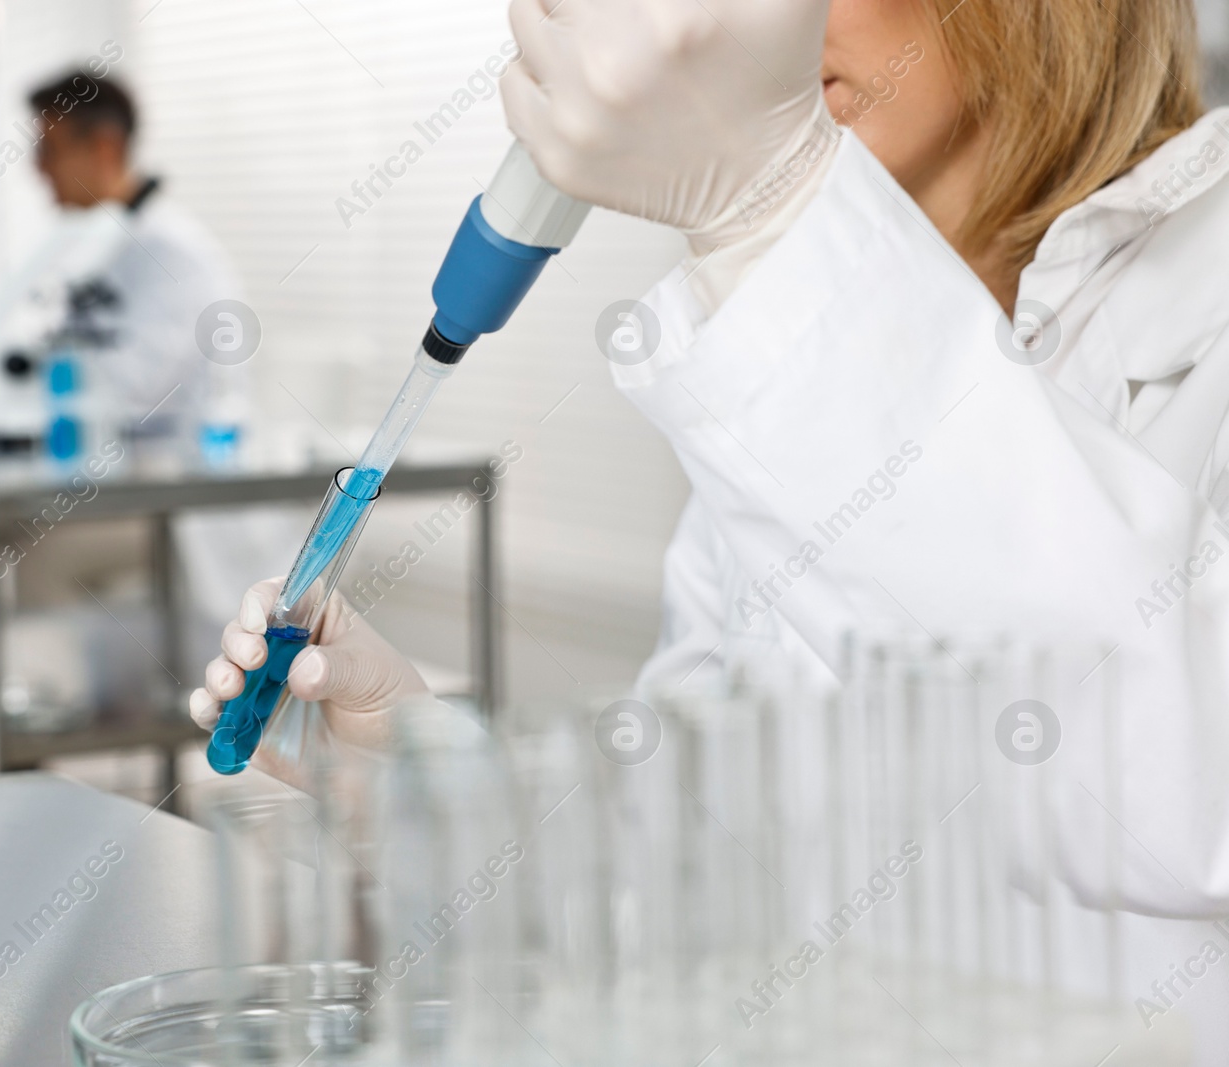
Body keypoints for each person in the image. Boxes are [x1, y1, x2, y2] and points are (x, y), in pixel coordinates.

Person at [196, 0, 1229, 1058]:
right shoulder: (776, 359)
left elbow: (1191, 777)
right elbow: (690, 883)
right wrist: (420, 770)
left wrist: (771, 203)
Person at [0, 72, 244, 440]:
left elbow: (130, 389)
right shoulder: (97, 244)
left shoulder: (173, 253)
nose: (39, 169)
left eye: (49, 150)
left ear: (104, 148)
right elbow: (50, 344)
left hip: (161, 481)